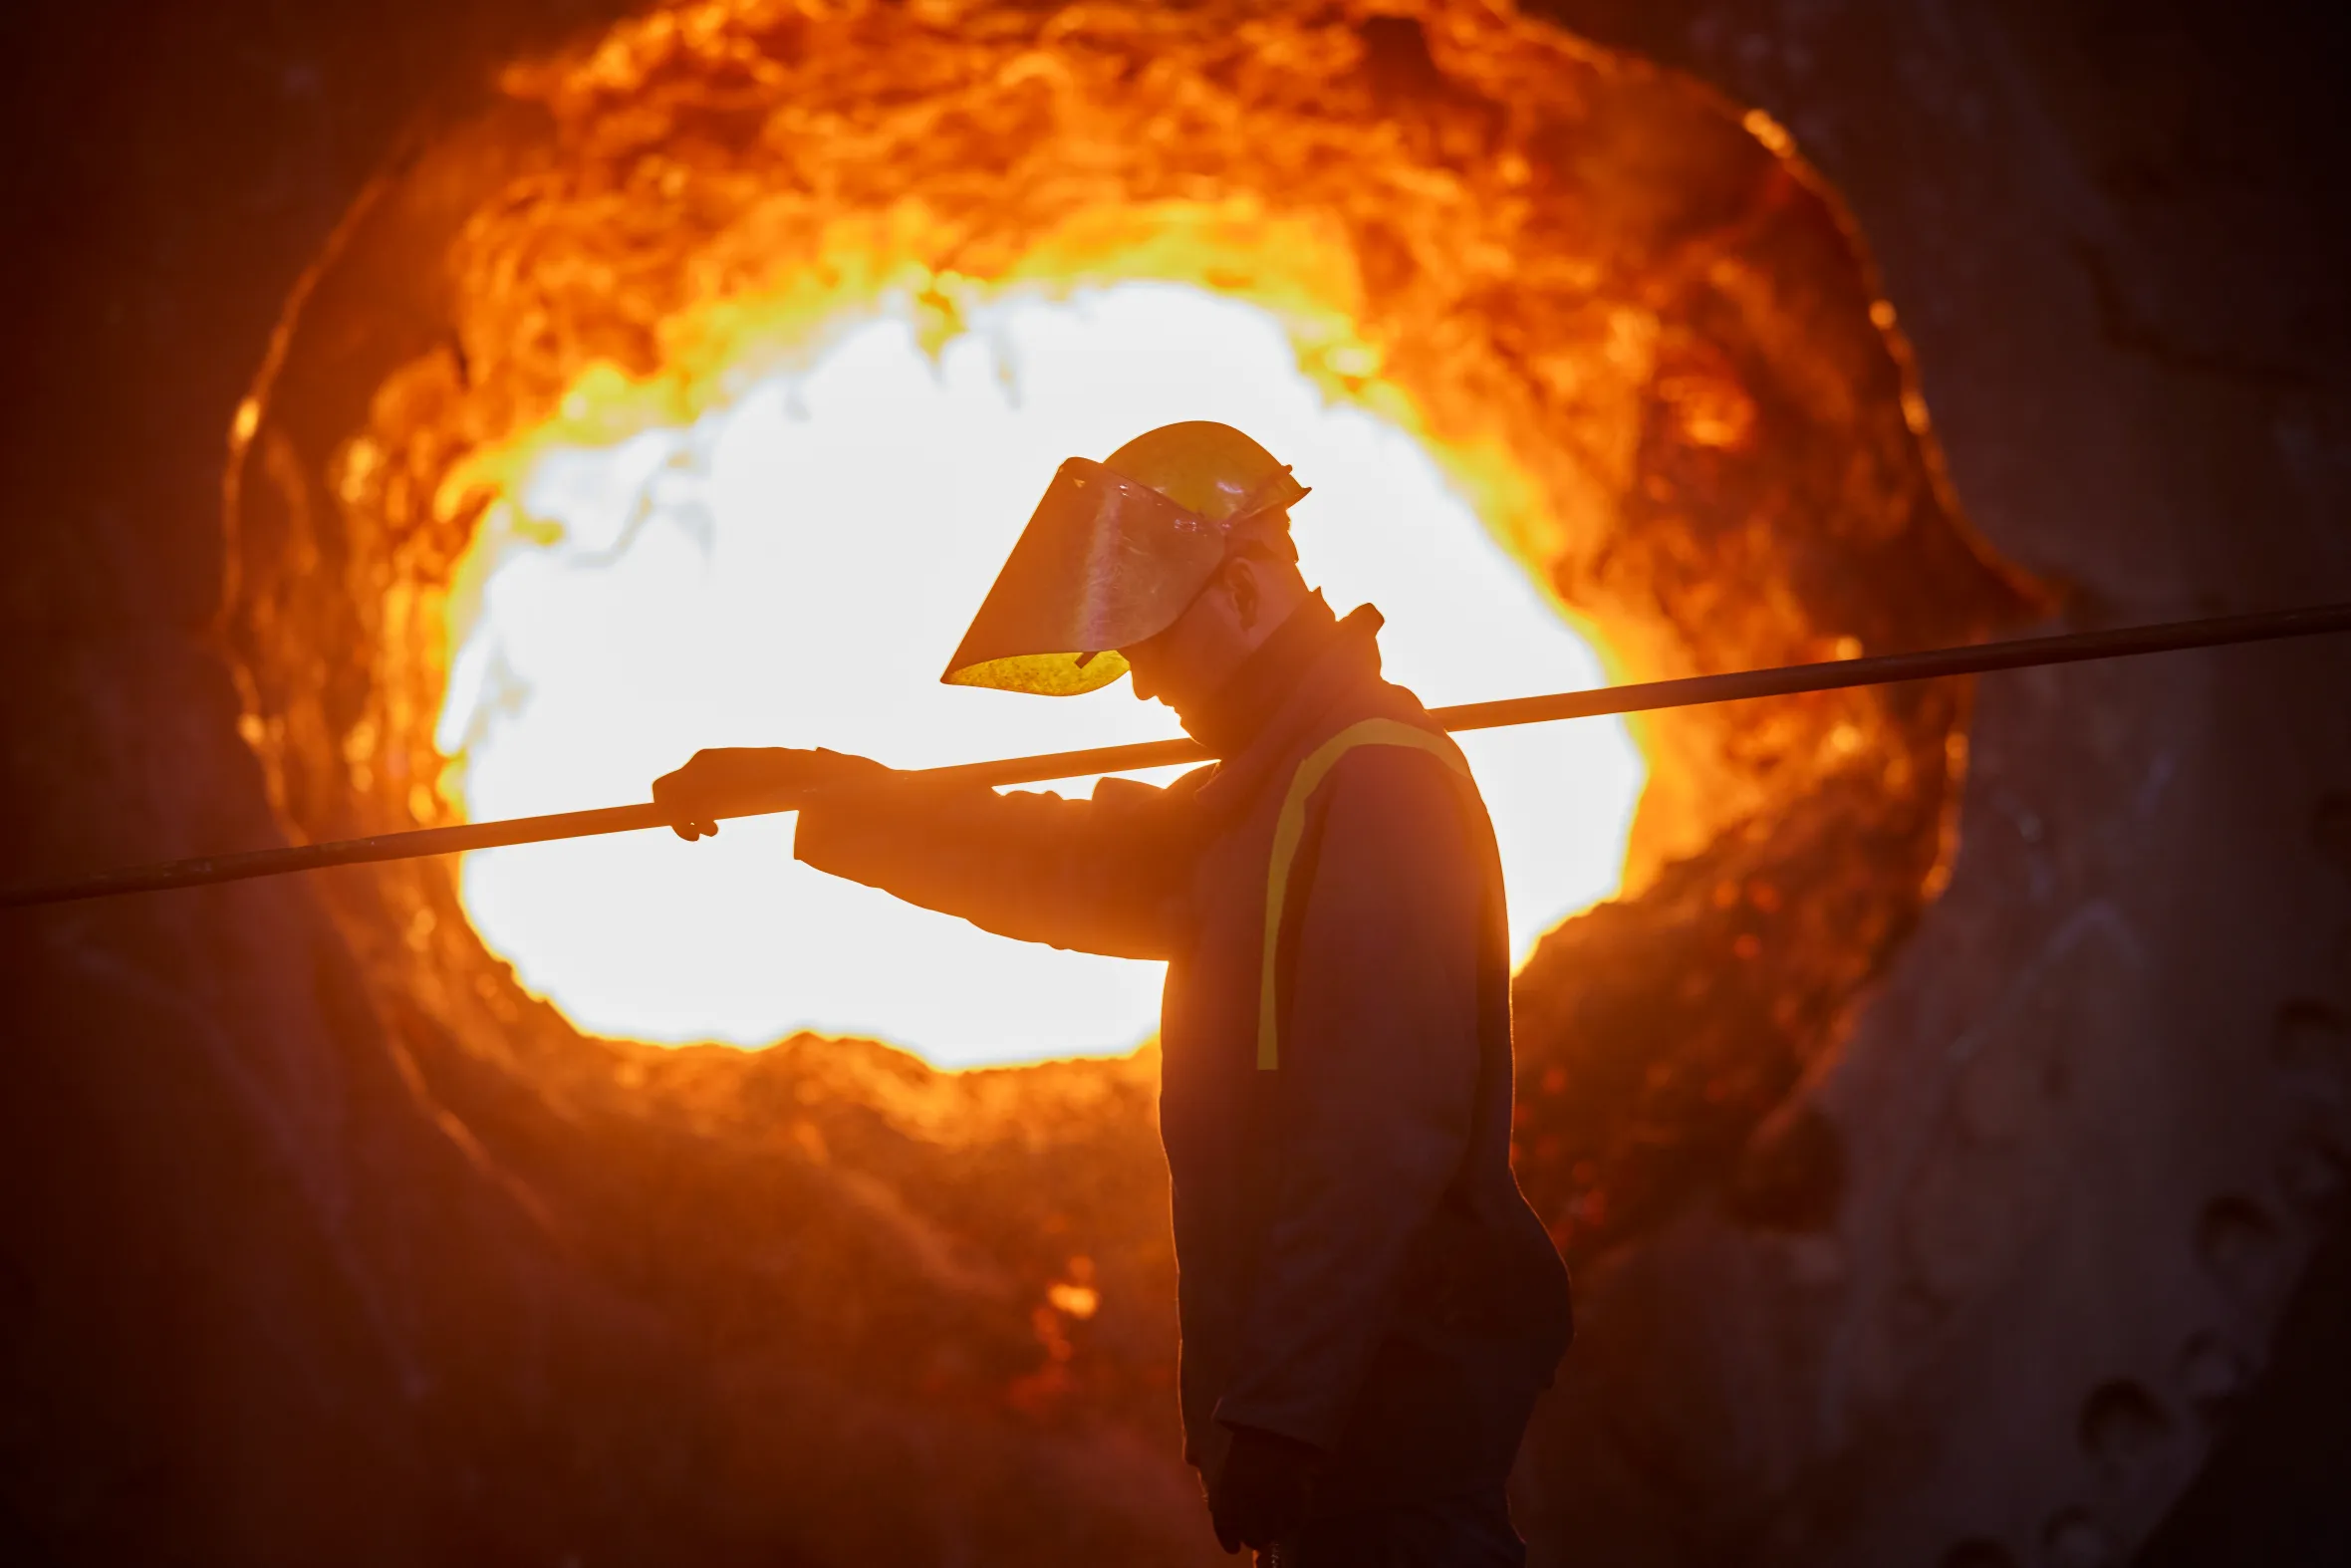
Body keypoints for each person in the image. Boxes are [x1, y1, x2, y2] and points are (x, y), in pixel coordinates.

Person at [653, 421, 1573, 1565]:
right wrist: (817, 789)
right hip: (1345, 1420)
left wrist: (1285, 1411)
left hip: (1385, 1420)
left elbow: (1375, 1136)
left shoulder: (1374, 779)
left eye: (1150, 642)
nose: (1138, 687)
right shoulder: (1269, 792)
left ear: (1240, 590)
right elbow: (1058, 862)